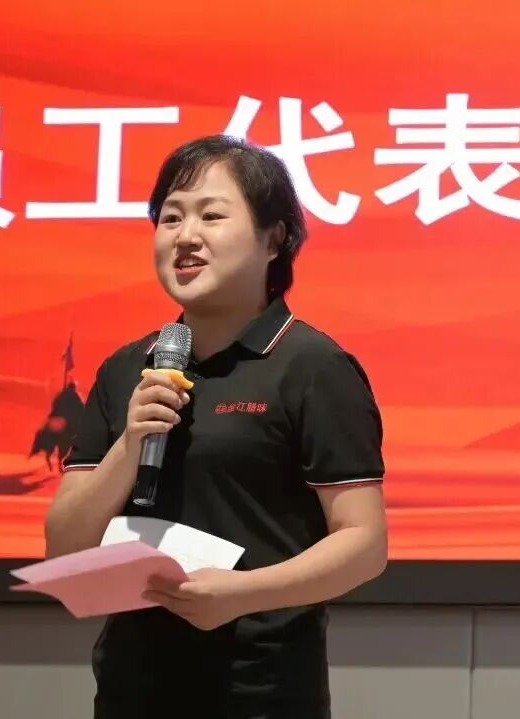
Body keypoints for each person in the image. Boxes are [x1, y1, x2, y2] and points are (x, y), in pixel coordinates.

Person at [43, 135, 388, 718]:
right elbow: (65, 547)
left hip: (260, 692)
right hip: (132, 690)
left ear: (274, 239)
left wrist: (241, 594)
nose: (185, 236)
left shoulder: (311, 366)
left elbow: (364, 544)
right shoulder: (128, 369)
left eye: (211, 215)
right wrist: (132, 442)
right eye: (170, 217)